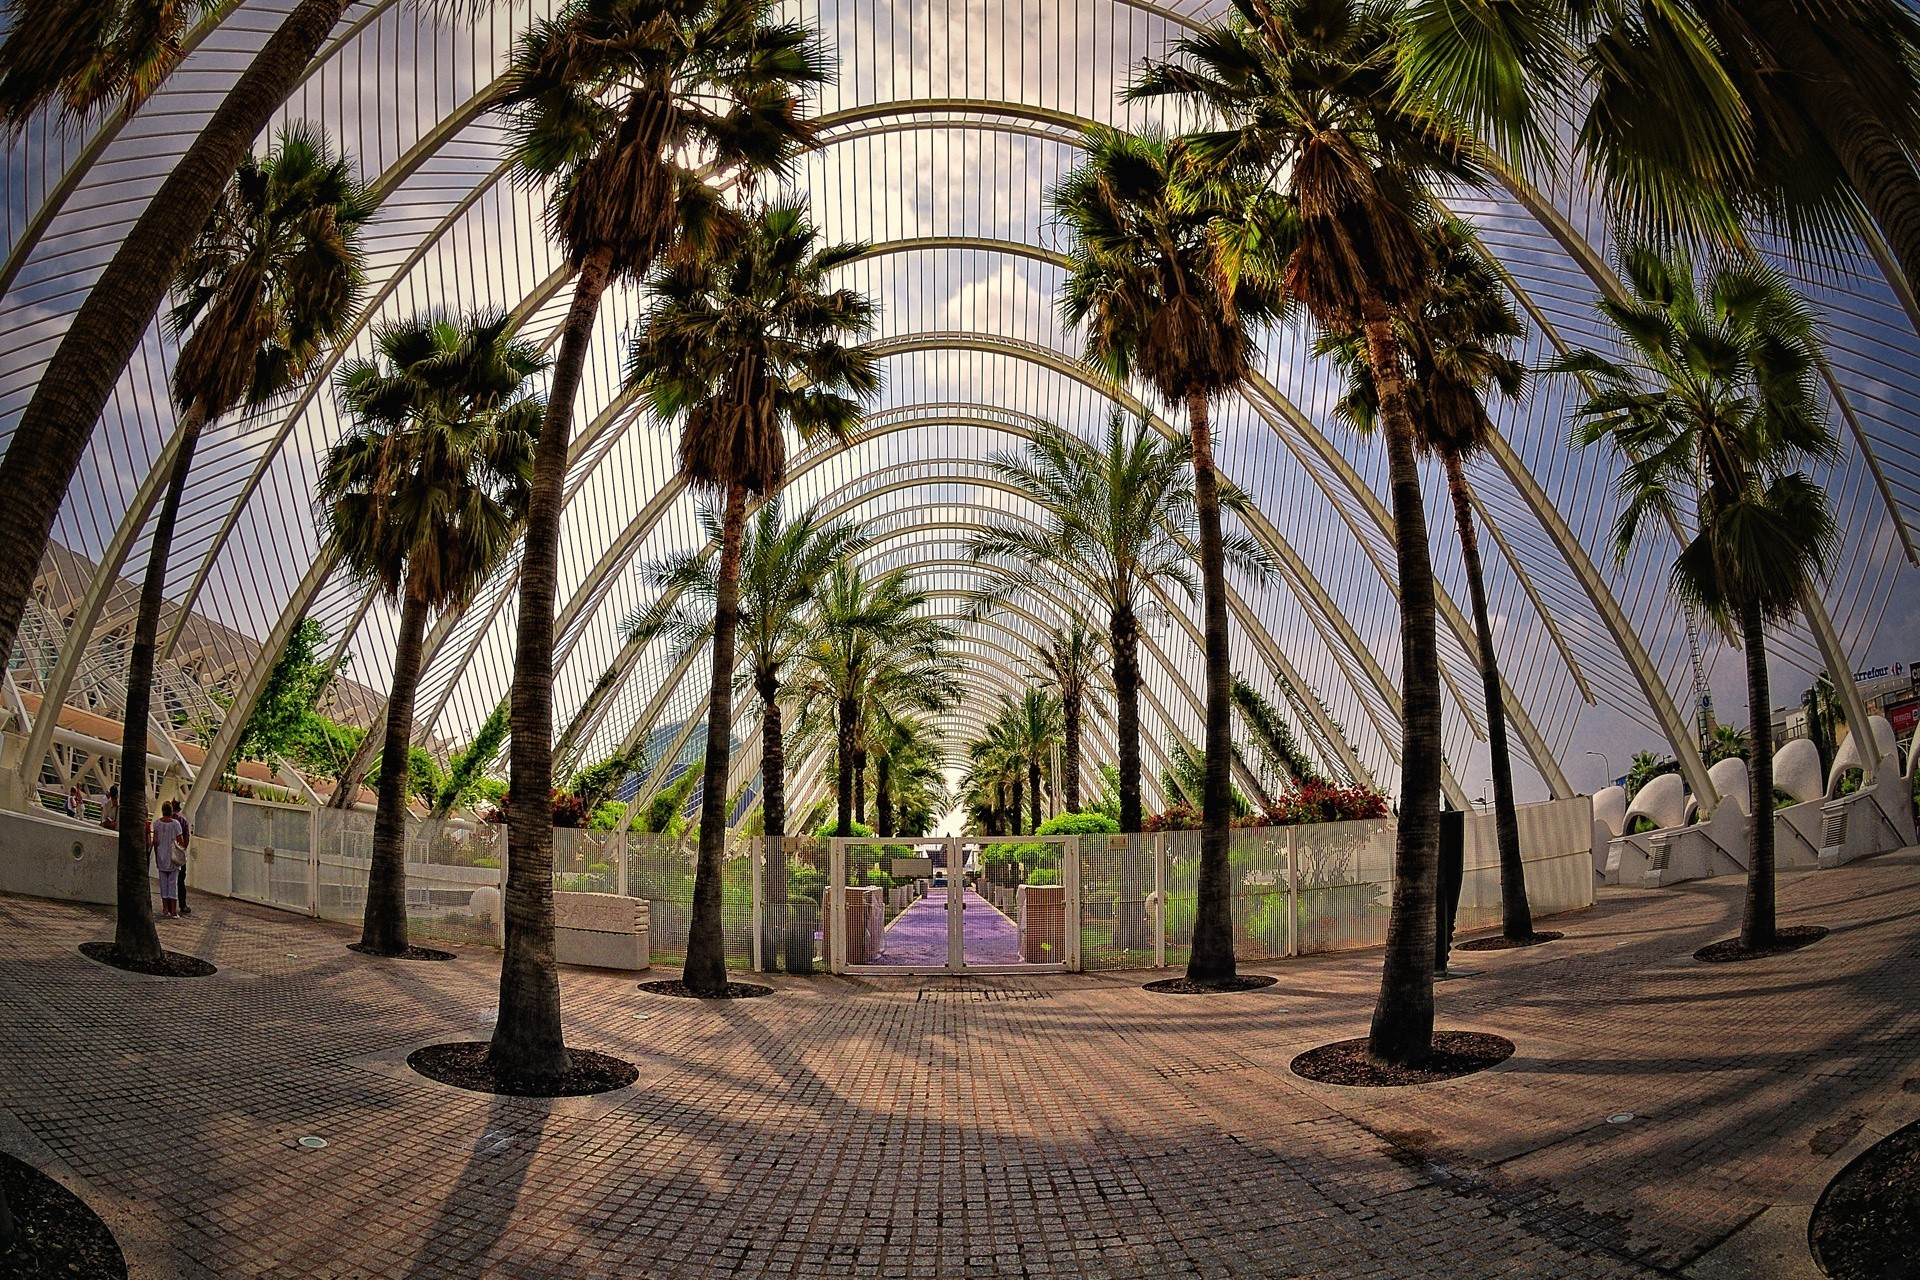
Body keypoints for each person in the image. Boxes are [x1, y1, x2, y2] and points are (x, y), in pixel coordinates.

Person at [152, 802, 185, 920]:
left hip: (161, 856)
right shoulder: (176, 824)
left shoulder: (156, 824)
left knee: (163, 884)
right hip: (172, 858)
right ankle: (173, 911)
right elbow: (180, 841)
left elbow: (155, 842)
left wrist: (156, 855)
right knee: (172, 884)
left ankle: (165, 908)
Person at [173, 801, 192, 917]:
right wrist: (183, 849)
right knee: (181, 880)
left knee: (170, 880)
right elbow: (186, 837)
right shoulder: (183, 820)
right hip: (179, 853)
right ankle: (182, 904)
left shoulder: (167, 818)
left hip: (169, 853)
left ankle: (169, 905)